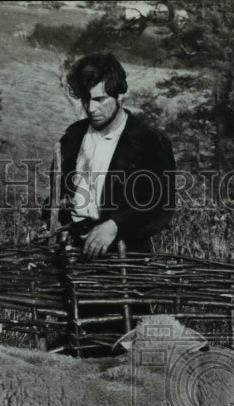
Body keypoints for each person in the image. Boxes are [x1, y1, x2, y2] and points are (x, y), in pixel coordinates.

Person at [45, 53, 176, 255]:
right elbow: (56, 195)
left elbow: (160, 205)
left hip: (124, 257)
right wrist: (50, 223)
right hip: (70, 252)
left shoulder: (149, 141)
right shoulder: (72, 137)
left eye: (99, 99)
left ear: (120, 95)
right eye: (86, 99)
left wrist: (115, 225)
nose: (91, 108)